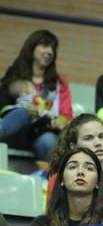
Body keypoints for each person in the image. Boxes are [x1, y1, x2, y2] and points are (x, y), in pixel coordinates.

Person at [0, 29, 73, 161]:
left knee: (49, 141)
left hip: (41, 131)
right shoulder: (13, 76)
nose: (50, 52)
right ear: (32, 47)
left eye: (53, 48)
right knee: (22, 112)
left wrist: (59, 121)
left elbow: (66, 115)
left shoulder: (59, 83)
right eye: (45, 46)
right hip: (14, 132)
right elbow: (3, 106)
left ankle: (54, 178)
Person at [46, 114, 103, 219]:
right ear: (73, 146)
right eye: (88, 138)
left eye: (101, 136)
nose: (98, 143)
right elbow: (54, 223)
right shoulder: (57, 180)